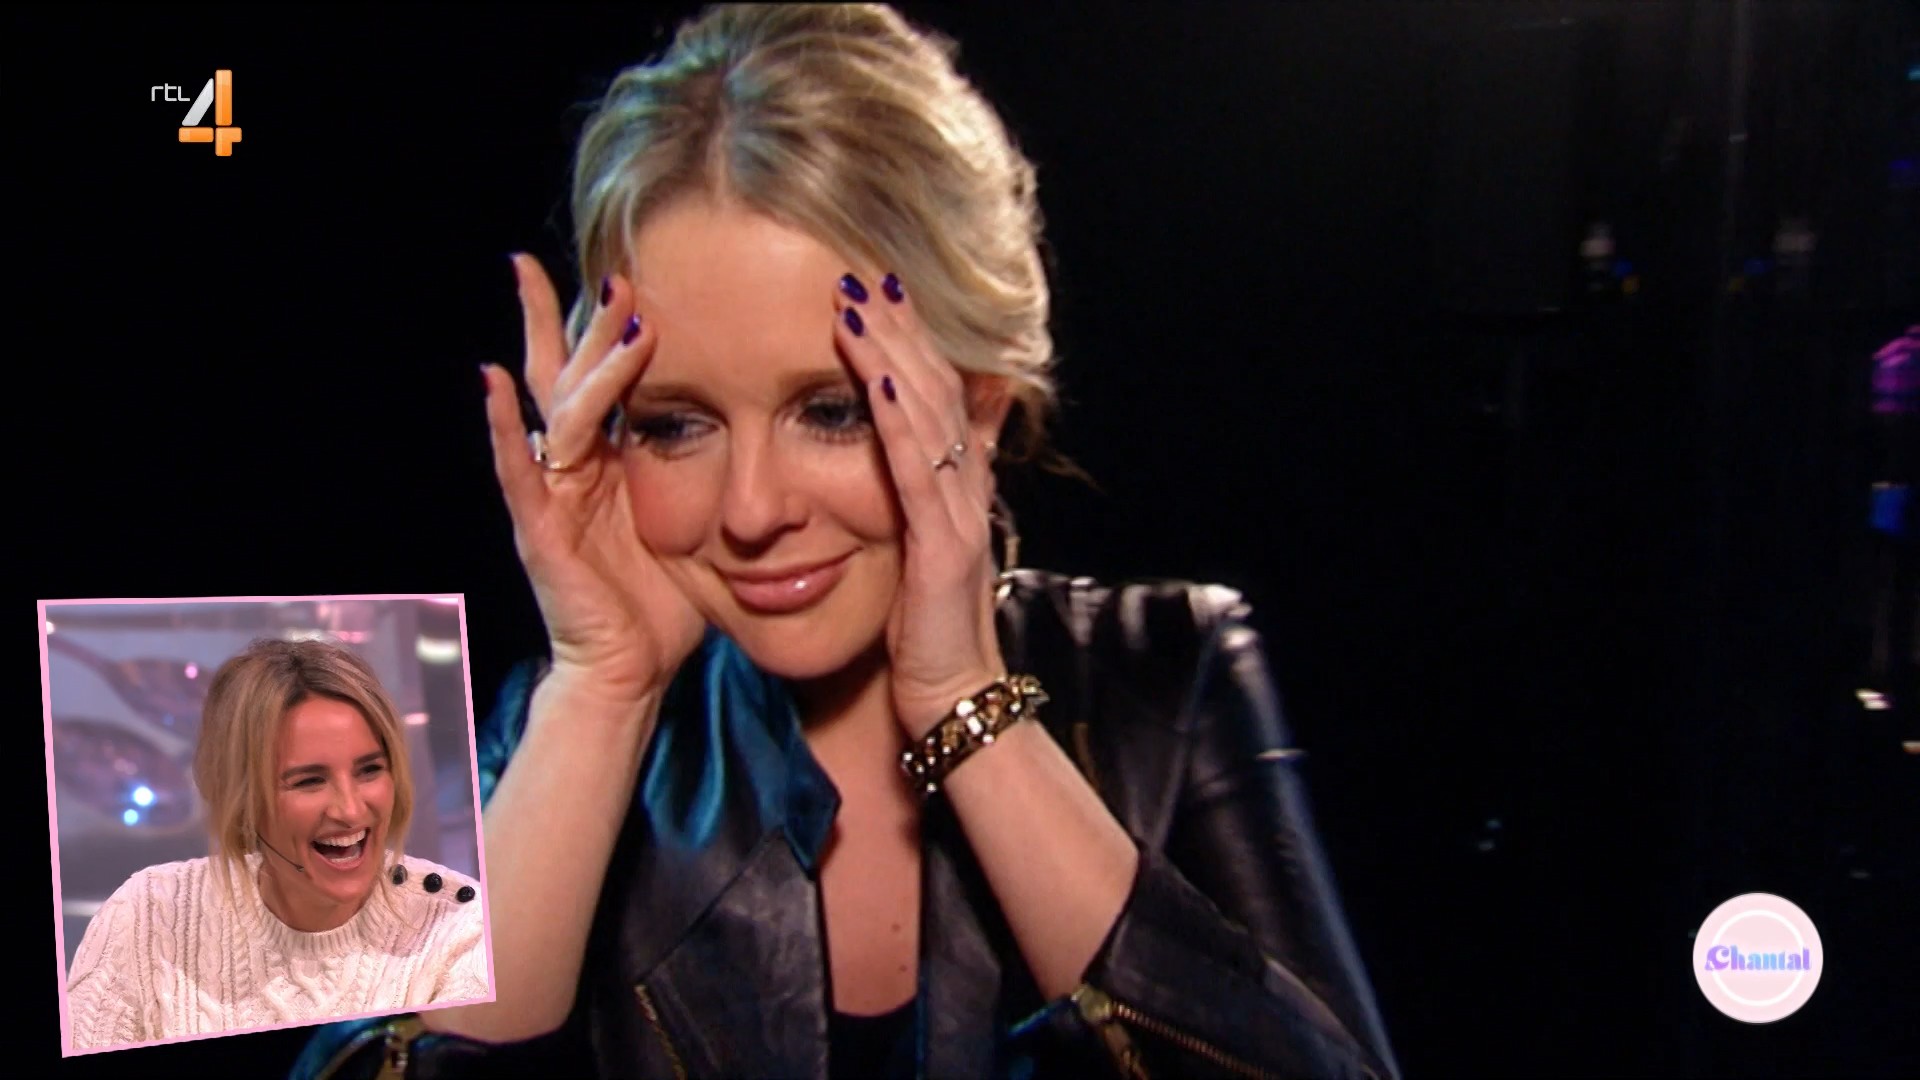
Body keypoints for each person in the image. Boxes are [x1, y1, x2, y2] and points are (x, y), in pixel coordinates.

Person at [295, 5, 1397, 1077]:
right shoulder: (545, 734)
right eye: (675, 425)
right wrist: (601, 694)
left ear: (977, 404)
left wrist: (964, 702)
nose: (751, 510)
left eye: (831, 410)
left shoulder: (1171, 676)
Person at [64, 638, 490, 1052]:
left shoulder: (462, 926)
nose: (350, 810)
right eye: (309, 781)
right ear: (241, 796)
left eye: (369, 771)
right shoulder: (147, 914)